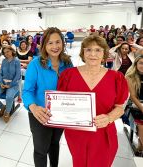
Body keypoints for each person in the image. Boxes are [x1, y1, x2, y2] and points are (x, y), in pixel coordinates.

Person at [57, 35, 129, 167]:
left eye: (98, 50)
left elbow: (120, 108)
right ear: (83, 53)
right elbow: (61, 104)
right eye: (88, 50)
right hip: (76, 133)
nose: (93, 54)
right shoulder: (68, 75)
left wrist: (109, 117)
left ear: (104, 54)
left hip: (103, 132)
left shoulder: (116, 78)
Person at [22, 27, 73, 167]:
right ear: (44, 45)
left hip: (61, 114)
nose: (55, 46)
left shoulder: (68, 64)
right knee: (41, 150)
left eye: (58, 42)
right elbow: (26, 91)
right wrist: (33, 107)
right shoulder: (35, 64)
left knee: (55, 143)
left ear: (63, 43)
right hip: (40, 113)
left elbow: (73, 88)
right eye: (50, 43)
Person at [0, 45, 21, 123]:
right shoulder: (4, 61)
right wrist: (0, 83)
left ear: (12, 51)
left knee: (9, 97)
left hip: (13, 84)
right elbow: (0, 73)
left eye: (8, 51)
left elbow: (18, 75)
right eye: (4, 52)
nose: (6, 54)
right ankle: (2, 107)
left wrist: (10, 85)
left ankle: (7, 112)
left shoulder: (16, 60)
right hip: (3, 83)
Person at [126, 55, 143, 153]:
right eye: (141, 63)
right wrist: (142, 108)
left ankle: (141, 145)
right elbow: (133, 96)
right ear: (136, 64)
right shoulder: (130, 77)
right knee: (142, 124)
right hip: (135, 105)